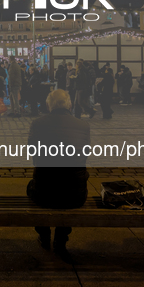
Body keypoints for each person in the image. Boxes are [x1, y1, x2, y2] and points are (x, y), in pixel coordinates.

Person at [26, 89, 90, 256]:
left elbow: (33, 152)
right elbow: (84, 154)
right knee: (69, 188)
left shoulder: (38, 123)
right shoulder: (83, 125)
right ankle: (61, 239)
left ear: (49, 105)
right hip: (75, 195)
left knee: (32, 187)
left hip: (44, 193)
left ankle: (44, 234)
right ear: (69, 105)